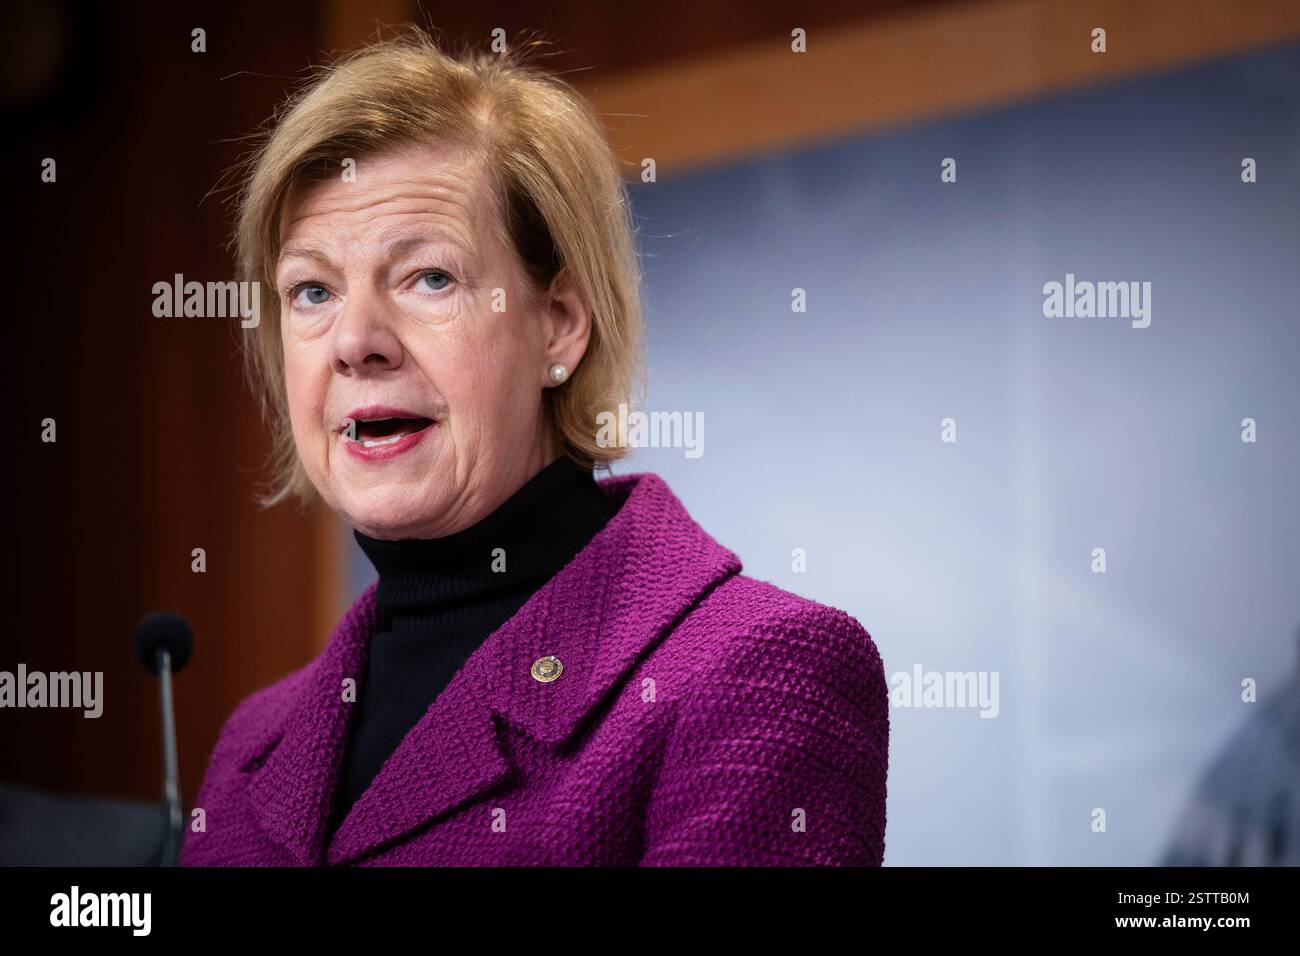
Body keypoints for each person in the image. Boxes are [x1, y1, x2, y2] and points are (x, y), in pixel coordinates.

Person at [180, 30, 889, 866]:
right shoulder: (253, 740)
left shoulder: (758, 673)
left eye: (429, 278)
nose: (355, 340)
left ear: (558, 326)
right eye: (312, 290)